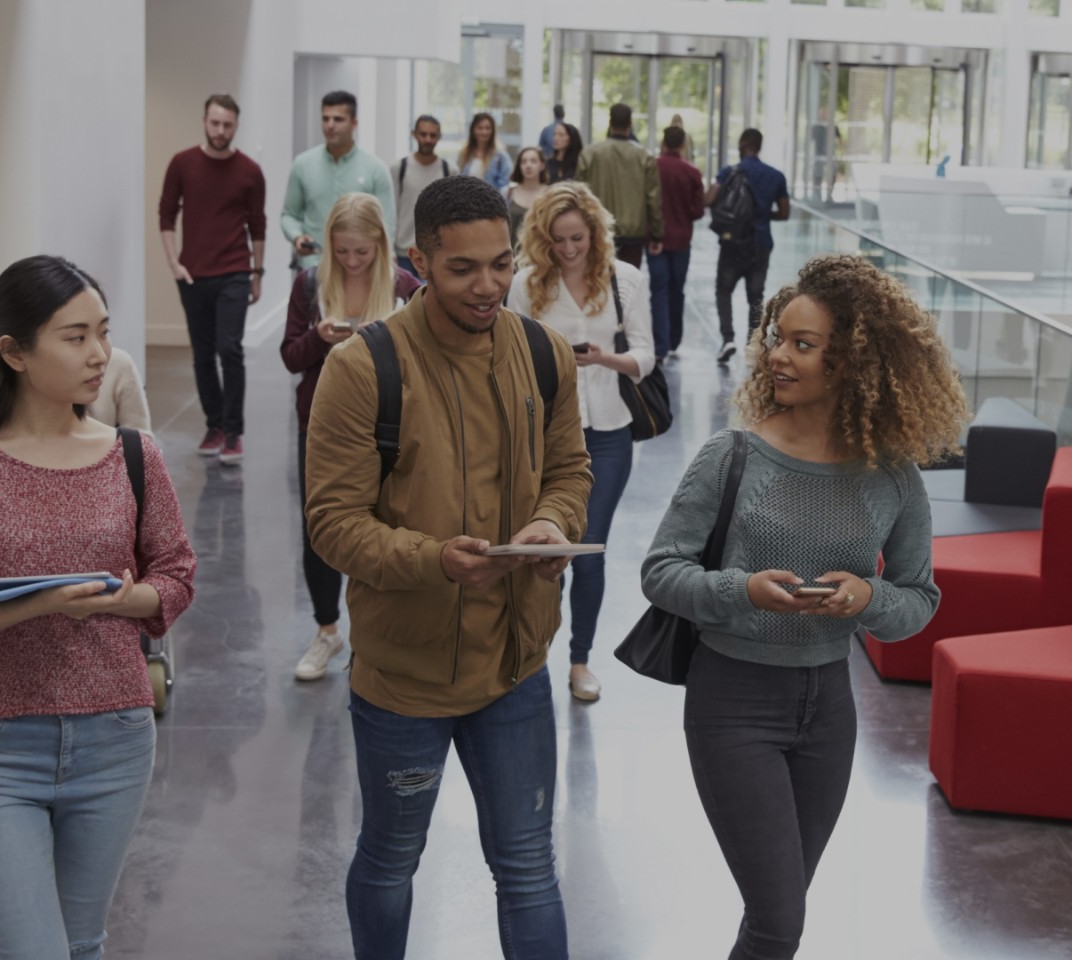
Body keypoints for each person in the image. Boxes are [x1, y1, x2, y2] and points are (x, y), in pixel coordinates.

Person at [642, 254, 967, 960]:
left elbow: (919, 597)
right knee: (780, 921)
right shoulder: (734, 456)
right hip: (733, 701)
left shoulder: (893, 476)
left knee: (775, 916)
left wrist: (869, 597)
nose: (778, 356)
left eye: (802, 344)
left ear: (850, 361)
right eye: (777, 338)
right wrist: (741, 590)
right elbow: (661, 572)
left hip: (828, 707)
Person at [304, 175, 591, 960]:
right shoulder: (364, 369)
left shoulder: (543, 354)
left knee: (529, 868)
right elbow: (332, 524)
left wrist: (550, 522)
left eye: (501, 264)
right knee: (391, 861)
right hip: (404, 679)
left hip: (516, 666)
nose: (488, 285)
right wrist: (436, 562)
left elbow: (571, 471)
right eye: (463, 268)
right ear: (420, 259)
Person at [0, 255, 197, 960]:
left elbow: (177, 573)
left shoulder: (132, 454)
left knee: (83, 944)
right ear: (14, 352)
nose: (101, 355)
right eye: (74, 337)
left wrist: (129, 602)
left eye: (104, 332)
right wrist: (39, 606)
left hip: (116, 736)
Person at [507, 181, 655, 702]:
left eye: (578, 238)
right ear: (543, 240)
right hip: (546, 432)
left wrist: (602, 357)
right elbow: (511, 358)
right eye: (558, 240)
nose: (569, 250)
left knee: (587, 551)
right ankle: (532, 657)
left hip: (611, 431)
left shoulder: (626, 280)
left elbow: (645, 357)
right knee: (544, 549)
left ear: (594, 232)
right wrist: (555, 364)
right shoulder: (525, 284)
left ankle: (579, 660)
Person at [281, 193, 421, 683]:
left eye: (362, 253)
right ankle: (326, 630)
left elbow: (428, 358)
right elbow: (291, 358)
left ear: (381, 245)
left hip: (391, 423)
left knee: (384, 526)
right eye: (342, 252)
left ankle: (372, 633)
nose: (352, 261)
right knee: (321, 529)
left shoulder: (405, 286)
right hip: (321, 424)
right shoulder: (309, 284)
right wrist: (320, 337)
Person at [158, 92, 266, 464]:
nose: (221, 130)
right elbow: (166, 214)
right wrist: (174, 263)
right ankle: (214, 425)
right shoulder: (182, 164)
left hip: (235, 270)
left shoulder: (250, 171)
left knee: (230, 349)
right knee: (203, 355)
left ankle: (234, 432)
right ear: (205, 121)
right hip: (193, 275)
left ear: (236, 125)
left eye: (228, 125)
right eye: (215, 123)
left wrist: (257, 272)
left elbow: (258, 225)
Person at [282, 90, 396, 272]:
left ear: (354, 123)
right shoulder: (302, 164)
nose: (330, 125)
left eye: (338, 119)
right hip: (314, 267)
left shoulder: (375, 169)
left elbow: (387, 224)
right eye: (325, 119)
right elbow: (289, 215)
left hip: (360, 271)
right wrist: (297, 237)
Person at [708, 128, 790, 365]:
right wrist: (762, 216)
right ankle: (752, 346)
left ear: (742, 145)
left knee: (723, 290)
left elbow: (710, 199)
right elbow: (784, 213)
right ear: (759, 146)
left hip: (732, 242)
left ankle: (727, 339)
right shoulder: (776, 176)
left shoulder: (729, 172)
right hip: (760, 244)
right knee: (755, 296)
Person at [576, 103, 664, 269]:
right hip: (633, 233)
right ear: (630, 124)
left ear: (610, 123)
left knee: (597, 283)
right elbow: (653, 199)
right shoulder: (644, 157)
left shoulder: (590, 154)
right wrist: (657, 235)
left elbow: (578, 195)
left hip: (598, 229)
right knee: (628, 287)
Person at [649, 126, 705, 361]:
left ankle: (659, 344)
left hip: (655, 239)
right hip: (682, 239)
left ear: (663, 142)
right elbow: (698, 210)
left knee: (658, 290)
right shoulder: (691, 172)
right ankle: (674, 339)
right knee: (676, 289)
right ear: (683, 145)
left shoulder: (652, 168)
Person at [392, 114, 450, 280]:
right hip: (402, 252)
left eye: (433, 135)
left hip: (435, 252)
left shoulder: (448, 170)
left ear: (439, 137)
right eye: (423, 134)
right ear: (414, 134)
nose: (428, 139)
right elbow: (391, 210)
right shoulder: (399, 168)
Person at [87, 346, 153, 434]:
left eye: (104, 333)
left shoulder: (119, 362)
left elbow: (141, 437)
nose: (102, 357)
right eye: (79, 338)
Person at [505, 146, 549, 250]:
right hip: (512, 256)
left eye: (533, 161)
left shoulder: (550, 194)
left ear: (542, 165)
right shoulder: (508, 192)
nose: (528, 165)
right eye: (524, 162)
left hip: (540, 255)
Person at [458, 112, 512, 190]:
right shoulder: (464, 154)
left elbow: (504, 185)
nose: (484, 132)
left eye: (488, 128)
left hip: (490, 200)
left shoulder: (501, 157)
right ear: (473, 130)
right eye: (480, 128)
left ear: (492, 131)